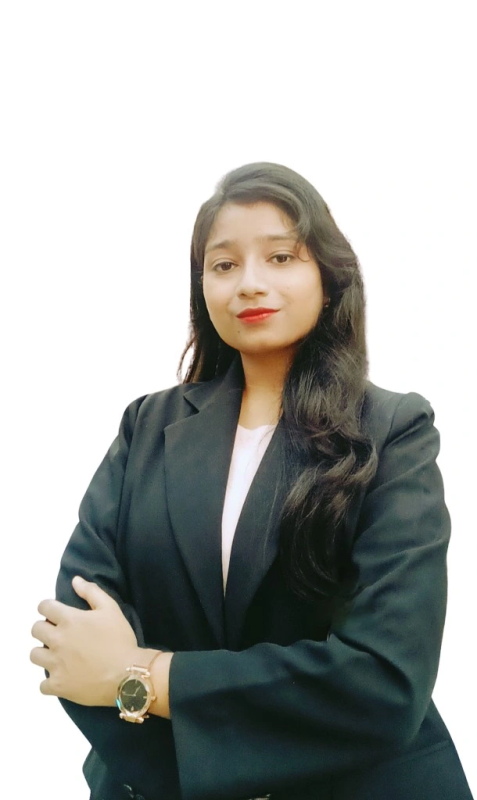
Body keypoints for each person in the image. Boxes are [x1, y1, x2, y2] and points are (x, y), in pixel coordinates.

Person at [30, 162, 474, 800]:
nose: (250, 283)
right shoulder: (147, 426)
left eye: (281, 256)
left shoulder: (393, 431)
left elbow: (384, 679)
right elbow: (75, 638)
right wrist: (190, 776)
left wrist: (143, 676)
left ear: (328, 277)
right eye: (224, 264)